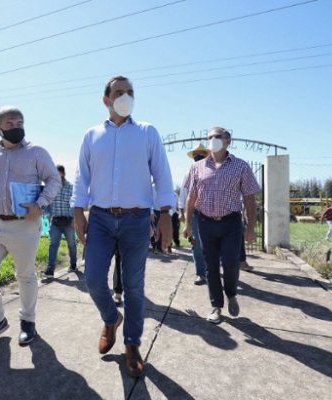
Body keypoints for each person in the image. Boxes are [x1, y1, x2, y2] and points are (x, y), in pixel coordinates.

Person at [71, 76, 175, 377]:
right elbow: (82, 177)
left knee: (133, 286)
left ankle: (131, 345)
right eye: (119, 92)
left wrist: (165, 213)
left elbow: (162, 175)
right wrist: (79, 211)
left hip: (137, 219)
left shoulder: (147, 132)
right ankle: (110, 318)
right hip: (101, 218)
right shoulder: (92, 135)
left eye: (130, 92)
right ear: (106, 99)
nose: (125, 96)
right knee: (92, 278)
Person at [0, 106, 61, 348]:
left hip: (25, 225)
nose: (16, 126)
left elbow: (54, 179)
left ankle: (28, 322)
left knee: (25, 275)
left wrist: (40, 204)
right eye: (10, 123)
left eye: (20, 122)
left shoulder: (36, 152)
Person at [183, 127, 260, 325]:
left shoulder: (240, 166)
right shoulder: (197, 168)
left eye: (217, 137)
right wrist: (187, 224)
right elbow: (191, 198)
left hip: (231, 222)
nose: (213, 140)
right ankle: (216, 306)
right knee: (210, 267)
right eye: (209, 137)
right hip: (205, 222)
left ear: (228, 141)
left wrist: (250, 227)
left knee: (230, 263)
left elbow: (250, 198)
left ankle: (231, 294)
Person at [178, 143, 210, 285]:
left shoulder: (214, 171)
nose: (198, 157)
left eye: (201, 154)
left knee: (211, 243)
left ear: (206, 155)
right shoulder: (189, 173)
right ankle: (201, 274)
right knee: (196, 243)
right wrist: (182, 212)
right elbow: (184, 194)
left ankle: (211, 269)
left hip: (211, 213)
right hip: (195, 213)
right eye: (196, 155)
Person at [45, 165, 78, 277]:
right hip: (55, 221)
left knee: (71, 244)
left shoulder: (71, 187)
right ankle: (50, 269)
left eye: (58, 174)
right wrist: (48, 215)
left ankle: (73, 264)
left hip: (69, 222)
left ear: (63, 174)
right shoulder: (50, 188)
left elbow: (74, 204)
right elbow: (47, 203)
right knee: (53, 245)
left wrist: (75, 219)